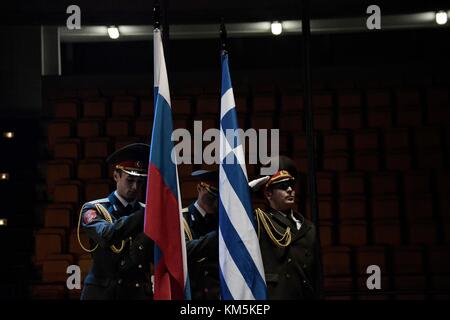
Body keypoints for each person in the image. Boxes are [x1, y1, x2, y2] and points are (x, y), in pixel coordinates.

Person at [78, 143, 153, 300]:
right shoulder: (94, 209)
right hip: (103, 293)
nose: (135, 187)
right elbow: (107, 235)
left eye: (140, 182)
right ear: (116, 176)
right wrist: (147, 214)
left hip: (136, 293)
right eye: (130, 180)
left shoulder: (146, 211)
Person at [252, 156, 322, 300]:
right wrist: (246, 190)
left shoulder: (308, 227)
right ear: (268, 193)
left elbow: (316, 273)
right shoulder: (259, 220)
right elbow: (231, 225)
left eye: (291, 184)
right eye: (283, 186)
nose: (290, 189)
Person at [182, 169, 220, 300]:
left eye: (219, 196)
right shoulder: (181, 218)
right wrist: (220, 235)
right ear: (199, 188)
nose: (215, 201)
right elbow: (184, 251)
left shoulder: (221, 221)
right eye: (212, 194)